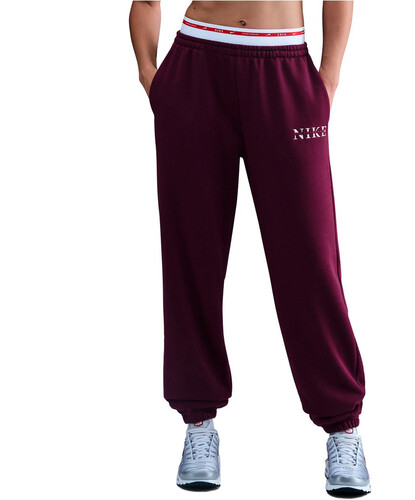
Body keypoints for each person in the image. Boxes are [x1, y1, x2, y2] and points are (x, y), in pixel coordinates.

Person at [130, 1, 370, 495]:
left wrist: (327, 80)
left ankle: (342, 426)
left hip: (284, 69)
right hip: (196, 69)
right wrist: (151, 76)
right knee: (191, 254)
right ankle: (198, 424)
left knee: (310, 257)